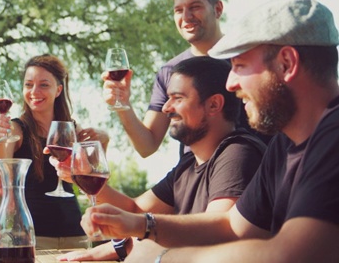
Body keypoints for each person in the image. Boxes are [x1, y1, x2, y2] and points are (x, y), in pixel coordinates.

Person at [82, 0, 339, 262]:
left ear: (286, 63)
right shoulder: (285, 144)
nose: (230, 83)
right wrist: (143, 226)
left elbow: (292, 254)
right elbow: (232, 226)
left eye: (239, 66)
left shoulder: (333, 136)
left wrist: (161, 258)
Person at [56, 56, 265, 261]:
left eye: (178, 98)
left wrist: (146, 241)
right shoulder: (189, 163)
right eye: (167, 98)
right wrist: (84, 177)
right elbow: (135, 210)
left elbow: (217, 231)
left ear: (214, 105)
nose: (166, 108)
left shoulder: (238, 153)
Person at [0, 54, 110, 249]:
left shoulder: (72, 129)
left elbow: (94, 178)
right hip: (31, 235)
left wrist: (103, 142)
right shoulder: (16, 128)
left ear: (58, 90)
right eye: (28, 85)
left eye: (44, 85)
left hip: (74, 233)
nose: (34, 91)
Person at [103, 0, 224, 158]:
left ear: (217, 9)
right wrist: (123, 106)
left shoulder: (246, 58)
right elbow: (147, 146)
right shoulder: (169, 72)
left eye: (195, 7)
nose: (186, 17)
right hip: (194, 181)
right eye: (178, 10)